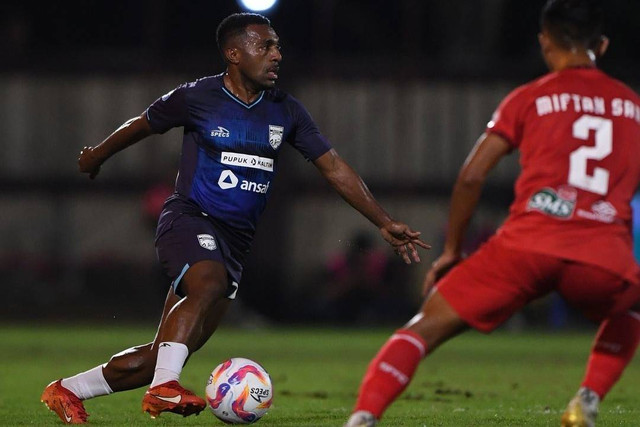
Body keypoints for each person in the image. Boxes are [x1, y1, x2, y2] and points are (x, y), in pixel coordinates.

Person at [40, 13, 429, 424]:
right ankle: (163, 390)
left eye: (278, 46)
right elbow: (143, 124)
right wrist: (97, 155)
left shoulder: (287, 111)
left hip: (235, 245)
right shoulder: (197, 97)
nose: (277, 54)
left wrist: (383, 222)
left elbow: (333, 167)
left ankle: (69, 389)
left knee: (165, 353)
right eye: (266, 46)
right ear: (234, 54)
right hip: (189, 218)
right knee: (206, 284)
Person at [344, 1, 640, 426]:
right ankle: (587, 399)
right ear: (603, 45)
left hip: (526, 246)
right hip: (600, 253)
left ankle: (363, 417)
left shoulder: (529, 98)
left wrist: (452, 250)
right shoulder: (632, 106)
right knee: (632, 308)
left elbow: (471, 176)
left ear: (545, 43)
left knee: (422, 327)